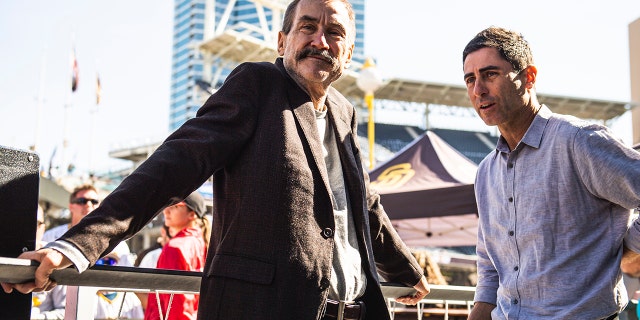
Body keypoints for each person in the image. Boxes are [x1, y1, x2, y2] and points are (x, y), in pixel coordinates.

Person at [2, 0, 430, 319]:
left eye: (334, 32)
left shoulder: (344, 110)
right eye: (308, 27)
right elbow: (173, 165)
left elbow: (363, 205)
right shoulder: (257, 85)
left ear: (348, 52)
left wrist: (407, 270)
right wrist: (76, 246)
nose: (321, 40)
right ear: (282, 41)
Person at [461, 26, 640, 319]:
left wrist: (627, 250)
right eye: (470, 79)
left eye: (490, 74)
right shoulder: (485, 172)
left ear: (528, 77)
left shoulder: (580, 141)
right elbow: (490, 265)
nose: (478, 90)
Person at [144, 191, 208, 320]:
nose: (166, 210)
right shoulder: (205, 244)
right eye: (167, 204)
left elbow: (177, 308)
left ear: (192, 214)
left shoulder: (175, 247)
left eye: (175, 205)